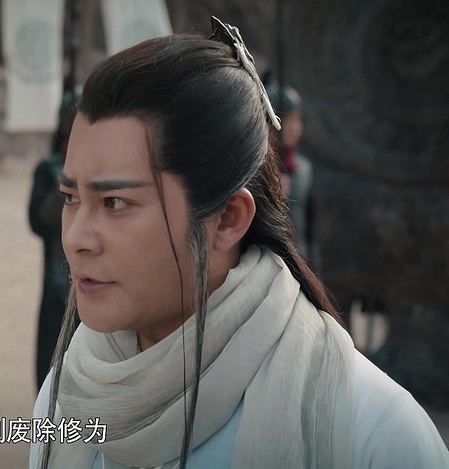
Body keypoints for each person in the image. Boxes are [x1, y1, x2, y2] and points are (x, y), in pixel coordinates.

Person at [30, 18, 449, 469]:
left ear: (228, 219)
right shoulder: (71, 392)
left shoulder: (372, 432)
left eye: (115, 202)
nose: (76, 239)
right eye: (71, 198)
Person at [28, 90, 79, 391]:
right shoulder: (49, 169)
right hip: (58, 282)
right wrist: (66, 187)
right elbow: (38, 222)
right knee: (51, 371)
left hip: (95, 282)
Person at [265, 81, 314, 257]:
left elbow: (310, 232)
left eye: (298, 119)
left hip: (299, 261)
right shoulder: (257, 168)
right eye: (288, 120)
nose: (295, 127)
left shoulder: (303, 169)